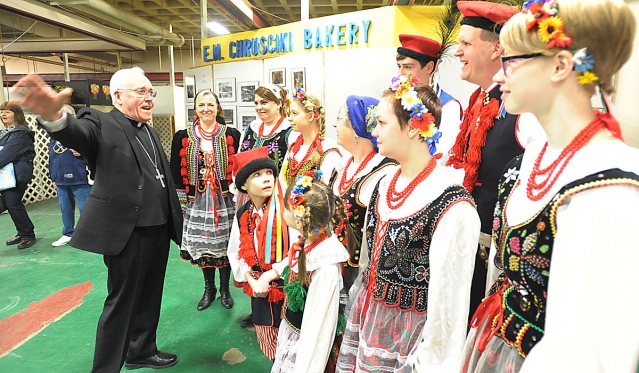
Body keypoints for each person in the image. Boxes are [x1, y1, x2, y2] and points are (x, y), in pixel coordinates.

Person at [462, 0, 639, 372]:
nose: (498, 76)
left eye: (509, 60)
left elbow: (604, 351)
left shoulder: (608, 187)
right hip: (495, 346)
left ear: (560, 66)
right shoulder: (525, 163)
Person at [13, 67, 183, 372]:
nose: (149, 98)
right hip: (127, 231)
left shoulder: (151, 130)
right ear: (118, 96)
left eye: (150, 92)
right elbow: (78, 133)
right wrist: (56, 118)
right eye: (141, 92)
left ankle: (141, 350)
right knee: (122, 303)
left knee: (149, 294)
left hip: (158, 226)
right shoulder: (100, 121)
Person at [336, 77, 480, 372]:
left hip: (411, 339)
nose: (373, 131)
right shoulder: (385, 182)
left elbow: (449, 305)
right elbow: (368, 262)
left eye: (381, 123)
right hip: (369, 317)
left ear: (414, 127)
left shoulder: (451, 202)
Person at [447, 0, 546, 321]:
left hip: (497, 263)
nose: (457, 52)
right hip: (469, 252)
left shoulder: (522, 111)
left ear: (496, 50)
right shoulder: (478, 100)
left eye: (465, 44)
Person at [257, 169, 353, 373]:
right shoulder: (310, 242)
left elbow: (320, 327)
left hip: (308, 344)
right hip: (295, 331)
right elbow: (295, 260)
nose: (282, 213)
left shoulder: (325, 266)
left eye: (285, 209)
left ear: (299, 220)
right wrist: (272, 272)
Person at [170, 90, 241, 311]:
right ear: (195, 109)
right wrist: (182, 203)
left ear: (218, 108)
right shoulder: (183, 136)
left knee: (225, 243)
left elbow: (240, 166)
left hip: (225, 199)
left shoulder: (233, 134)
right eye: (202, 104)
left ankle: (225, 290)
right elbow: (175, 170)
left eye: (210, 104)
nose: (206, 109)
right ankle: (209, 289)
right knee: (204, 247)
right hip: (197, 200)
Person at [236, 84, 296, 327]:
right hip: (253, 196)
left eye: (266, 102)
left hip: (277, 199)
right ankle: (259, 300)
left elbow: (290, 166)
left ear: (279, 103)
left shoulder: (288, 132)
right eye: (257, 103)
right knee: (253, 249)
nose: (260, 107)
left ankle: (279, 302)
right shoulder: (250, 129)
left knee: (276, 249)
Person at [227, 147, 290, 360]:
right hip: (260, 292)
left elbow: (301, 251)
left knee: (292, 341)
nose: (266, 179)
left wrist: (270, 275)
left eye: (269, 173)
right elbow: (236, 252)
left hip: (288, 288)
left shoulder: (288, 209)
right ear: (244, 185)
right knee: (267, 339)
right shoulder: (243, 213)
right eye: (257, 175)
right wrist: (253, 283)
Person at [328, 95, 396, 293]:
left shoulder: (384, 171)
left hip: (359, 273)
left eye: (340, 119)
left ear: (356, 130)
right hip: (331, 263)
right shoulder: (342, 165)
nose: (334, 124)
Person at [396, 34, 463, 164]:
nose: (400, 74)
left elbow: (440, 155)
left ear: (429, 67)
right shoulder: (397, 99)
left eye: (408, 67)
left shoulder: (448, 107)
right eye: (399, 66)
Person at [48, 104, 93, 247]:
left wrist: (84, 151)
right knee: (65, 208)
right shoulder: (54, 135)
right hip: (60, 179)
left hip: (80, 177)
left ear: (74, 117)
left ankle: (88, 235)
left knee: (86, 209)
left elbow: (97, 149)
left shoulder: (83, 132)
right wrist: (53, 177)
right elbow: (52, 157)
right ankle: (67, 233)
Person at [280, 88, 341, 190]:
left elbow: (327, 192)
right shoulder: (294, 148)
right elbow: (282, 183)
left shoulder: (327, 150)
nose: (290, 118)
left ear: (310, 116)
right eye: (290, 113)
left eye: (294, 113)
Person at [0, 101, 36, 250]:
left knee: (13, 203)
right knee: (12, 204)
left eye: (7, 111)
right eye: (2, 111)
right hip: (6, 176)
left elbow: (6, 155)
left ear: (17, 114)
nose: (3, 114)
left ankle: (28, 235)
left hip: (17, 175)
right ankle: (23, 232)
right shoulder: (5, 132)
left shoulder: (21, 133)